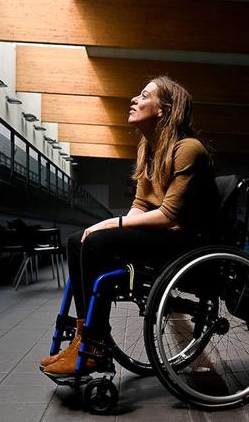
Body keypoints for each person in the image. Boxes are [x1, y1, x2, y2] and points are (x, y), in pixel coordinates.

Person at [41, 76, 219, 376]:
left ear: (163, 110)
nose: (134, 100)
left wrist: (110, 224)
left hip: (187, 244)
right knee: (77, 241)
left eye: (144, 95)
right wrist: (108, 226)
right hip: (165, 237)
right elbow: (140, 207)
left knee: (97, 241)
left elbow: (168, 215)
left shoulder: (189, 149)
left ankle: (94, 344)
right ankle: (86, 338)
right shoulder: (148, 150)